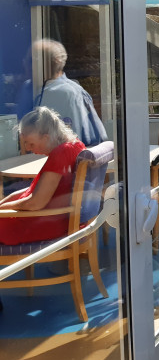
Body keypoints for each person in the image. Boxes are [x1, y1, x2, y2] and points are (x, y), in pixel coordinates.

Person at [0, 106, 85, 245]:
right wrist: (2, 205)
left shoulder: (60, 154)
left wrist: (3, 208)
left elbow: (35, 203)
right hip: (52, 218)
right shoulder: (76, 146)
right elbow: (32, 193)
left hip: (42, 223)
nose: (27, 148)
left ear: (46, 137)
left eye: (31, 143)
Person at [32, 39, 107, 146]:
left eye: (35, 58)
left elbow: (75, 140)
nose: (26, 63)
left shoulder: (66, 93)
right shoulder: (36, 90)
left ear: (55, 60)